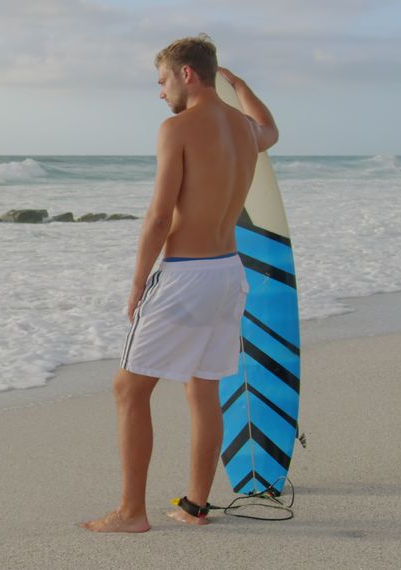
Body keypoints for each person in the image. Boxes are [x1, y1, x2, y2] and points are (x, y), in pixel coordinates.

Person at [81, 34, 279, 533]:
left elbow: (158, 215)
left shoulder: (178, 129)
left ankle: (130, 513)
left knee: (128, 388)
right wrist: (238, 84)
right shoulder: (244, 130)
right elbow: (271, 129)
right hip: (228, 273)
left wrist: (137, 283)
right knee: (203, 386)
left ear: (186, 74)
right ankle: (196, 506)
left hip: (185, 275)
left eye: (162, 80)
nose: (160, 92)